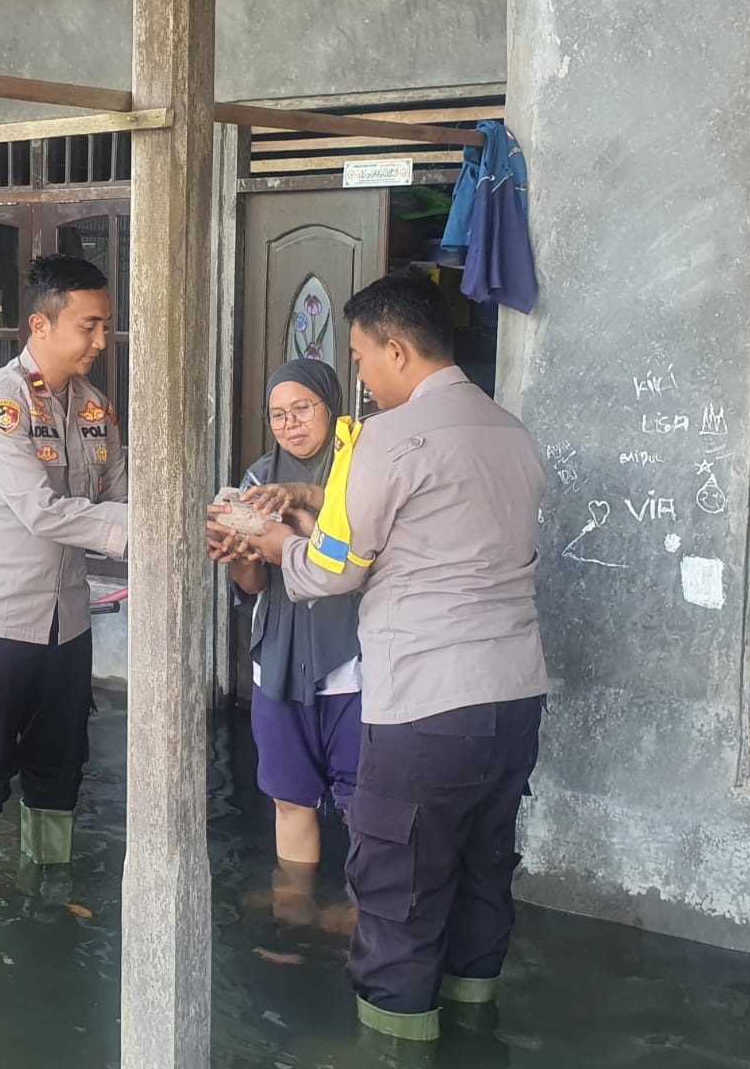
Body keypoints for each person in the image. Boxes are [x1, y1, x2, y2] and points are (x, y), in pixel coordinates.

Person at [223, 272, 547, 1043]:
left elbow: (334, 566)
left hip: (427, 704)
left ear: (397, 349)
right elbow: (433, 530)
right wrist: (309, 505)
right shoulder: (511, 432)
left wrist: (278, 544)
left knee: (398, 893)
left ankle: (392, 1052)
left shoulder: (390, 438)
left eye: (363, 358)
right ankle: (474, 1034)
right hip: (513, 698)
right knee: (479, 877)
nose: (360, 375)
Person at [0, 254, 128, 892]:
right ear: (40, 326)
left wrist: (199, 520)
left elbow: (122, 492)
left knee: (60, 770)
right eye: (90, 326)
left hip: (67, 625)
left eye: (106, 326)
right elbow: (42, 513)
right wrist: (149, 532)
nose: (102, 341)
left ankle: (51, 902)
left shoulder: (94, 407)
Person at [207, 359, 361, 931]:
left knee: (362, 801)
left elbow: (363, 539)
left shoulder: (360, 468)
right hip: (278, 658)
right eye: (278, 414)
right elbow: (253, 587)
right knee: (290, 796)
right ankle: (295, 905)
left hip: (353, 660)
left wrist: (302, 504)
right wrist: (241, 559)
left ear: (331, 404)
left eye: (303, 409)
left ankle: (364, 908)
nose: (291, 424)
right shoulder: (256, 480)